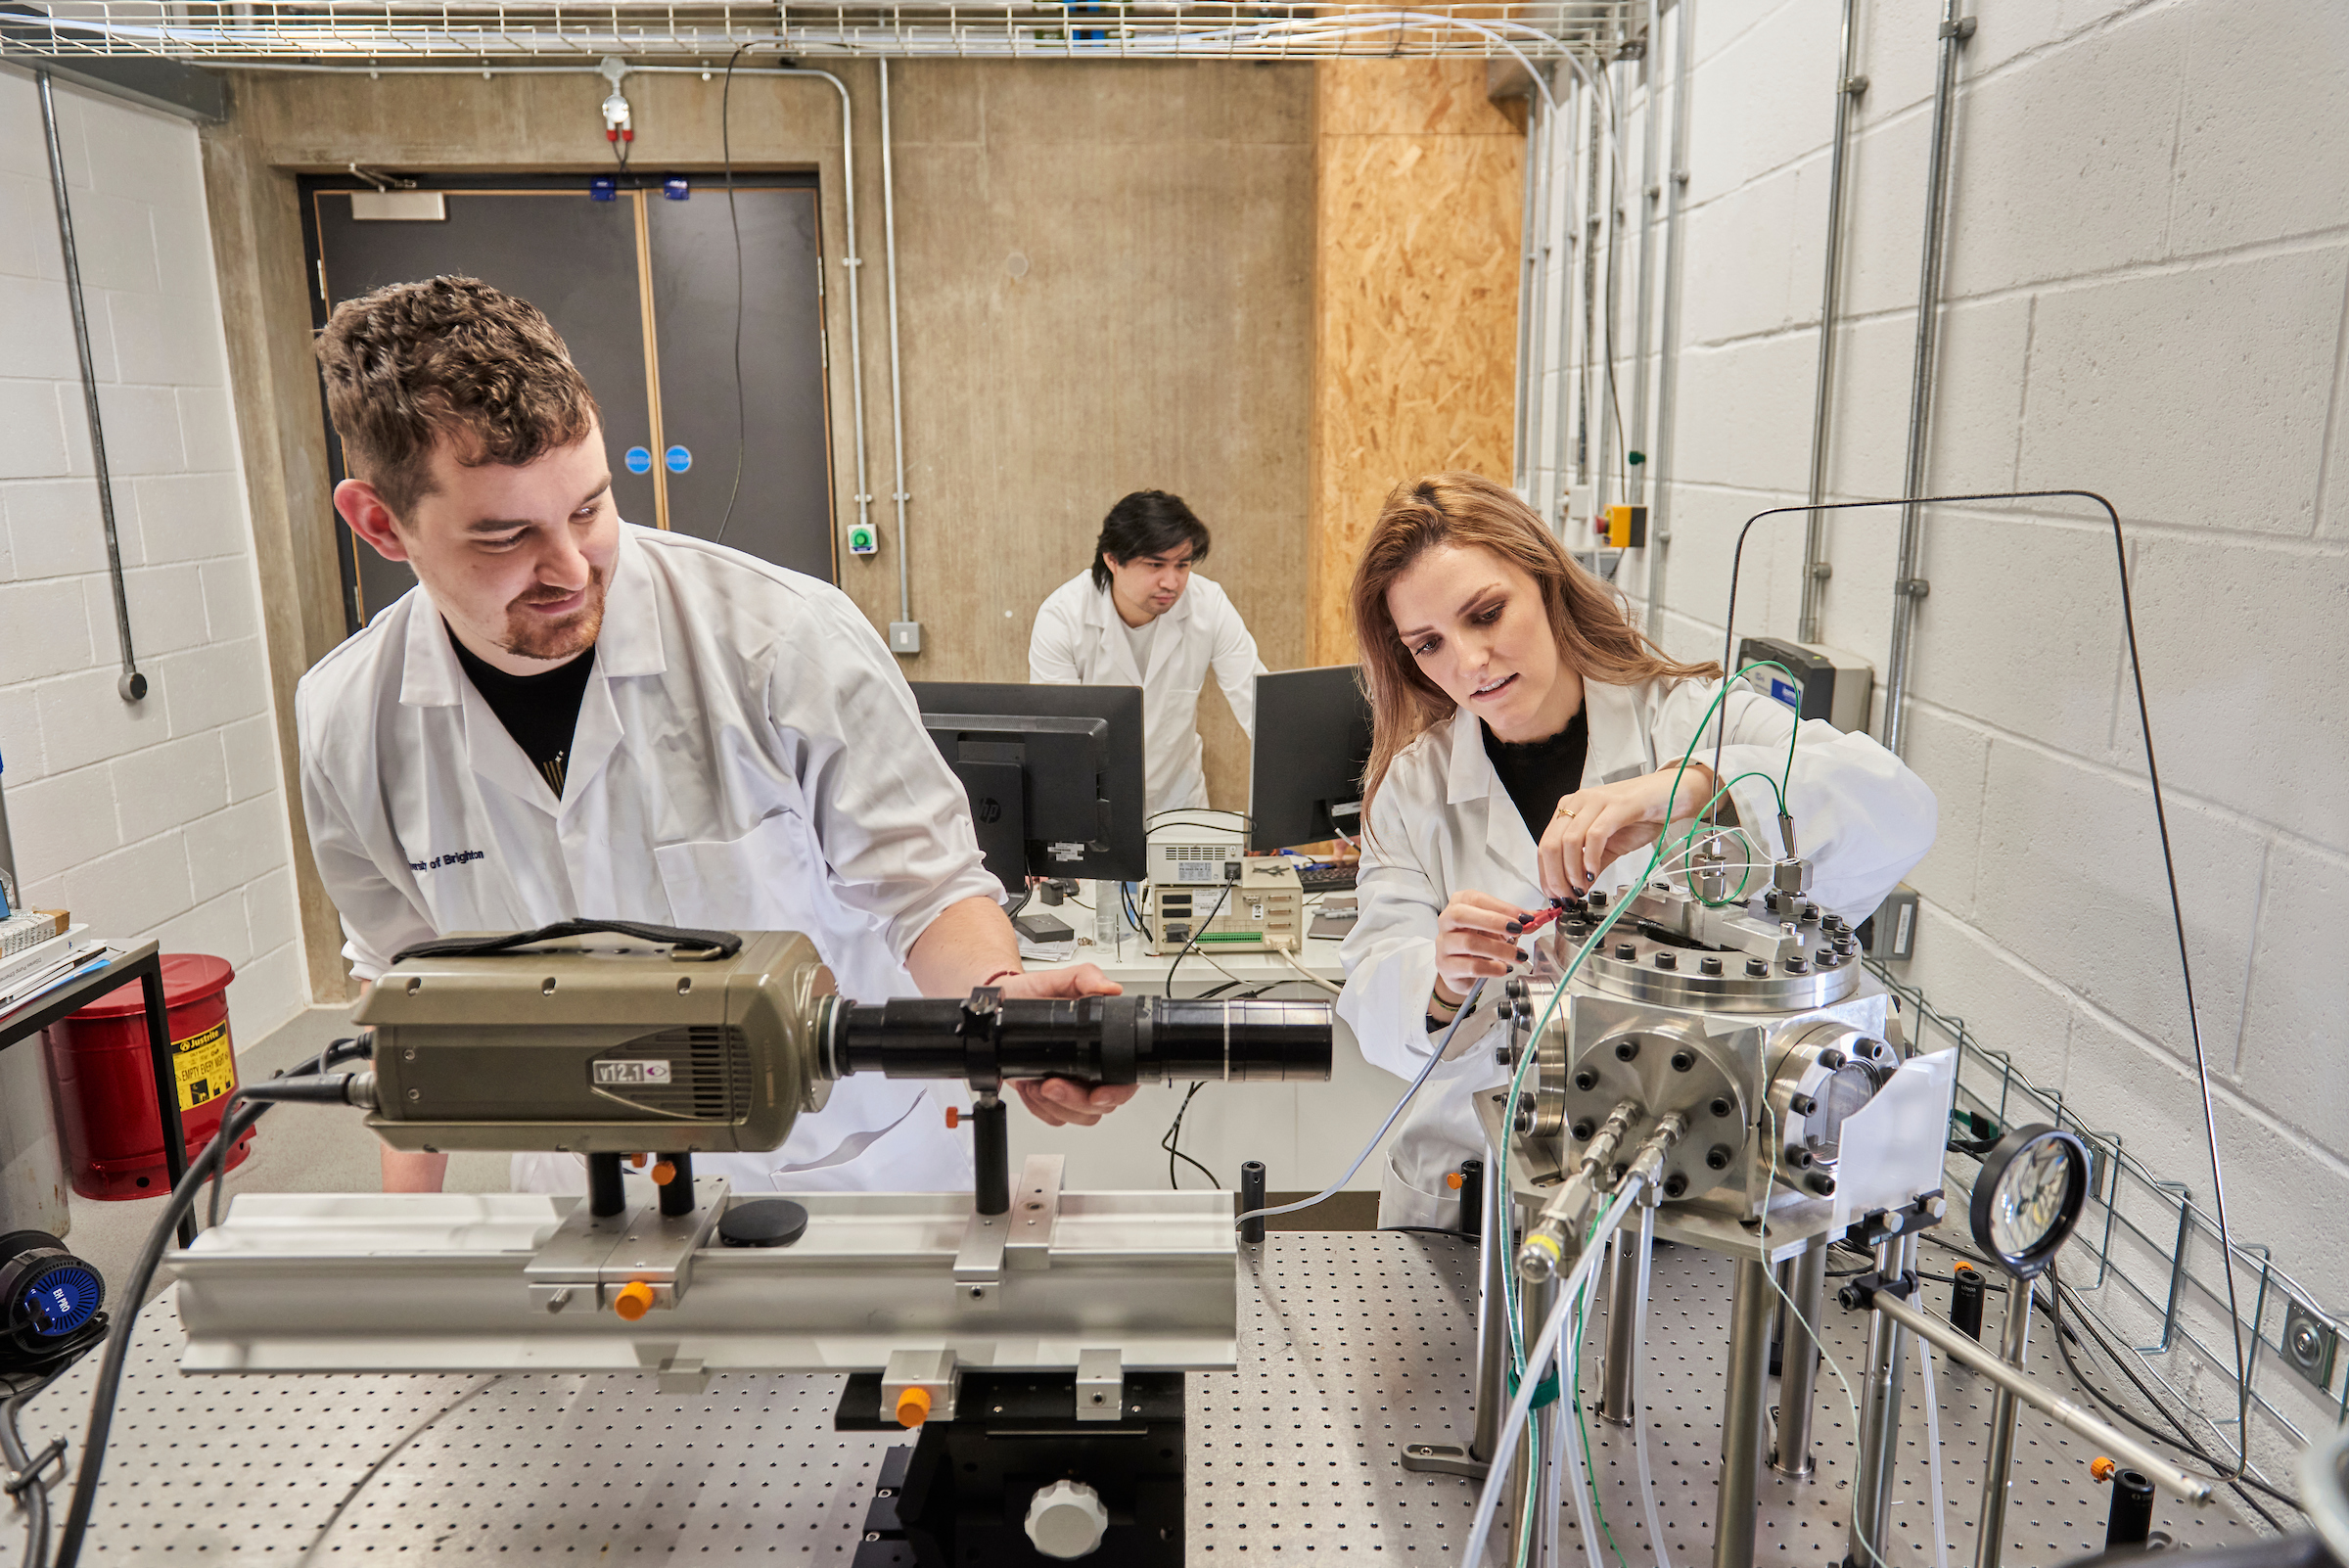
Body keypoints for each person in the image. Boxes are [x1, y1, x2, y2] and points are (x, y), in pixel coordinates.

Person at [297, 275, 1134, 1200]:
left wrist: (999, 1006)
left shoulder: (781, 637)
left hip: (843, 1176)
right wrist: (401, 1242)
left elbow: (925, 885)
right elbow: (411, 1000)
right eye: (504, 538)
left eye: (588, 508)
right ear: (380, 523)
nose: (571, 569)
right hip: (583, 1193)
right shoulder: (349, 723)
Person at [1336, 474, 1936, 1228]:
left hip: (1688, 1200)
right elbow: (1371, 983)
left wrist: (1690, 787)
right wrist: (1442, 980)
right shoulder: (1415, 787)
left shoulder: (1684, 719)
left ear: (1547, 582)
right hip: (1475, 1196)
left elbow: (1902, 807)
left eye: (1486, 613)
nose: (1471, 661)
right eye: (1429, 644)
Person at [1029, 490, 1266, 817]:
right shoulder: (1063, 616)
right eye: (1155, 565)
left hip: (1178, 801)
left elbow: (1258, 707)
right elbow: (1055, 740)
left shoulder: (1207, 604)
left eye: (1182, 565)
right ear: (1112, 560)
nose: (1172, 581)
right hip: (1091, 805)